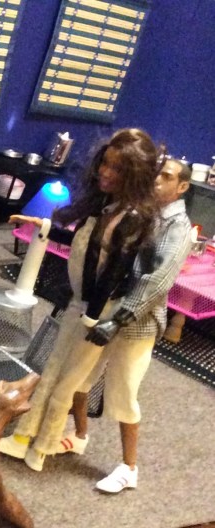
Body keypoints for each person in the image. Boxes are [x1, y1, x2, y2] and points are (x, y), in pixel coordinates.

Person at [0, 128, 160, 473]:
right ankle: (24, 435)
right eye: (105, 164)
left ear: (134, 175)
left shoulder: (133, 218)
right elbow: (82, 244)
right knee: (52, 368)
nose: (105, 172)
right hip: (80, 302)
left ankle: (44, 445)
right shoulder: (105, 205)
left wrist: (94, 317)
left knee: (68, 383)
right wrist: (42, 225)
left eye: (117, 168)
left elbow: (114, 273)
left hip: (99, 313)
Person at [53, 157, 194, 493]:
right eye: (156, 173)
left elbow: (156, 281)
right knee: (80, 377)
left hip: (135, 323)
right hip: (107, 308)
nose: (157, 180)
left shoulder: (178, 227)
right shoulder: (142, 211)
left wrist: (117, 321)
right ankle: (80, 434)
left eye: (167, 176)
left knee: (123, 392)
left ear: (182, 186)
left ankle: (129, 467)